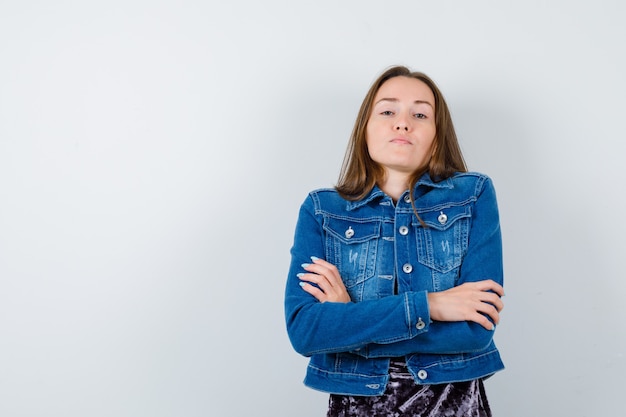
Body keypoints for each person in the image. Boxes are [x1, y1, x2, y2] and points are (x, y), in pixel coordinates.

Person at [284, 65, 505, 416]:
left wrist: (348, 324)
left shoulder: (473, 195)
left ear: (437, 134)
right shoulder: (322, 210)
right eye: (387, 111)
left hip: (452, 402)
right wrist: (431, 306)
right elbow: (306, 331)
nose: (403, 123)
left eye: (420, 113)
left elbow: (475, 330)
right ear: (365, 130)